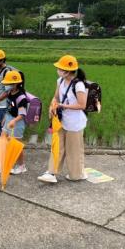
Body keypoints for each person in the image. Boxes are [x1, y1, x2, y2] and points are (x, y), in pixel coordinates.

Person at [38, 55, 88, 183]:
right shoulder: (60, 81)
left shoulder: (79, 85)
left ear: (67, 71)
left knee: (73, 151)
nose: (58, 70)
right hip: (61, 121)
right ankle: (51, 173)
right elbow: (56, 97)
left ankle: (76, 174)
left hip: (75, 123)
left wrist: (63, 106)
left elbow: (82, 105)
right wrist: (52, 106)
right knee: (57, 147)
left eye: (60, 68)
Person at [0, 71, 27, 174]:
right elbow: (9, 107)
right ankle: (5, 164)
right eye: (6, 83)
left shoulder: (21, 97)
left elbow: (22, 114)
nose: (7, 85)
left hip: (17, 122)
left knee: (16, 146)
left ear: (16, 83)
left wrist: (14, 120)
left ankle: (22, 166)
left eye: (9, 84)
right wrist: (5, 117)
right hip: (9, 119)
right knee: (3, 141)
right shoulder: (9, 92)